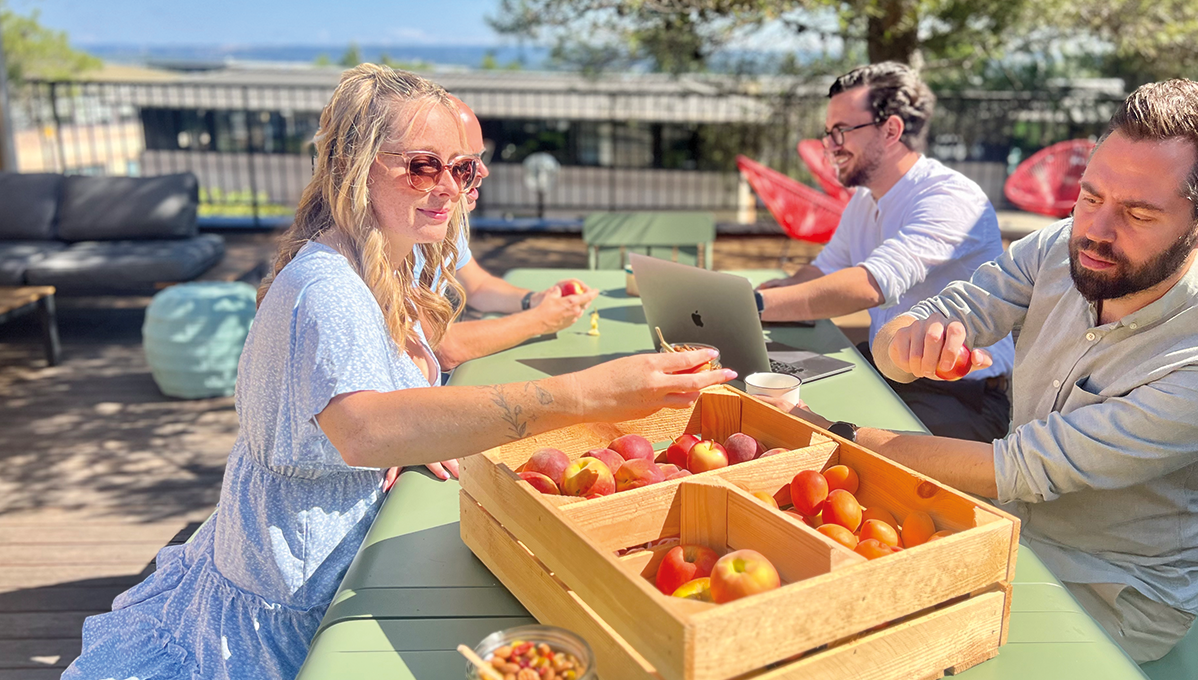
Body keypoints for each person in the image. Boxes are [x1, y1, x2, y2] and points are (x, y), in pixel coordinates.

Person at [62, 64, 733, 679]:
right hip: (293, 590)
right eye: (422, 166)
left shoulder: (383, 255)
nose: (449, 189)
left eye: (464, 171)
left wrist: (415, 429)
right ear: (356, 165)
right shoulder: (327, 286)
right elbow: (361, 429)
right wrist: (584, 394)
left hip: (331, 553)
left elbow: (388, 393)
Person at [761, 79, 1198, 663]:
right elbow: (931, 316)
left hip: (1112, 591)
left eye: (1137, 214)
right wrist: (904, 346)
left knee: (850, 633)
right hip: (1004, 527)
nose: (1096, 232)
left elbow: (1016, 467)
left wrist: (833, 434)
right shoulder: (1062, 245)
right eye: (1090, 197)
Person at [756, 63, 1014, 442]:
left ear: (891, 130)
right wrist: (777, 289)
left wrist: (756, 305)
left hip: (961, 396)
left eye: (842, 131)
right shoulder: (865, 200)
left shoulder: (949, 197)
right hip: (892, 373)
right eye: (828, 133)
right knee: (772, 409)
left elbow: (869, 285)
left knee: (812, 442)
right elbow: (824, 269)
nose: (830, 145)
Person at [428, 97, 599, 368]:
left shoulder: (445, 221)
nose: (483, 171)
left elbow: (478, 286)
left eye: (479, 158)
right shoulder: (414, 228)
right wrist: (540, 320)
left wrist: (535, 301)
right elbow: (443, 348)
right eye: (463, 161)